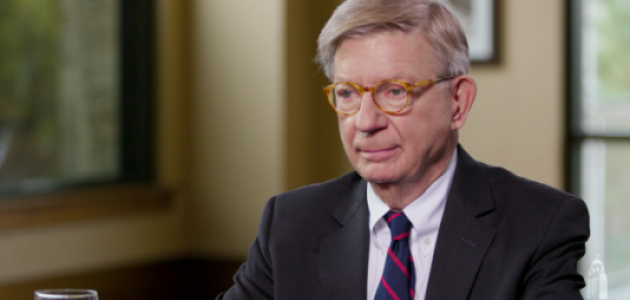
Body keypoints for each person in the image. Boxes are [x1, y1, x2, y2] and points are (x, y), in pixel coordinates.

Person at [217, 0, 590, 299]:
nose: (365, 122)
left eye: (395, 91)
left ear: (458, 103)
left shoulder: (540, 225)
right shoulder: (290, 224)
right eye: (347, 93)